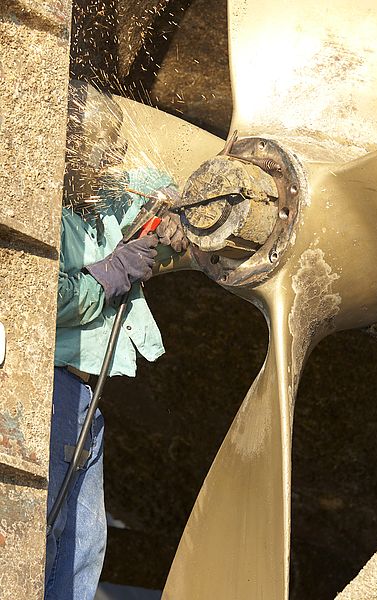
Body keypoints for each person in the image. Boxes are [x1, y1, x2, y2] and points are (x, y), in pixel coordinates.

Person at [44, 81, 187, 600]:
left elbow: (156, 188)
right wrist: (108, 276)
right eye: (105, 148)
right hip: (52, 390)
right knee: (53, 537)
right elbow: (42, 303)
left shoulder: (101, 196)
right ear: (69, 150)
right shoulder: (43, 214)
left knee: (85, 546)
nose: (117, 159)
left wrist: (176, 213)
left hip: (84, 397)